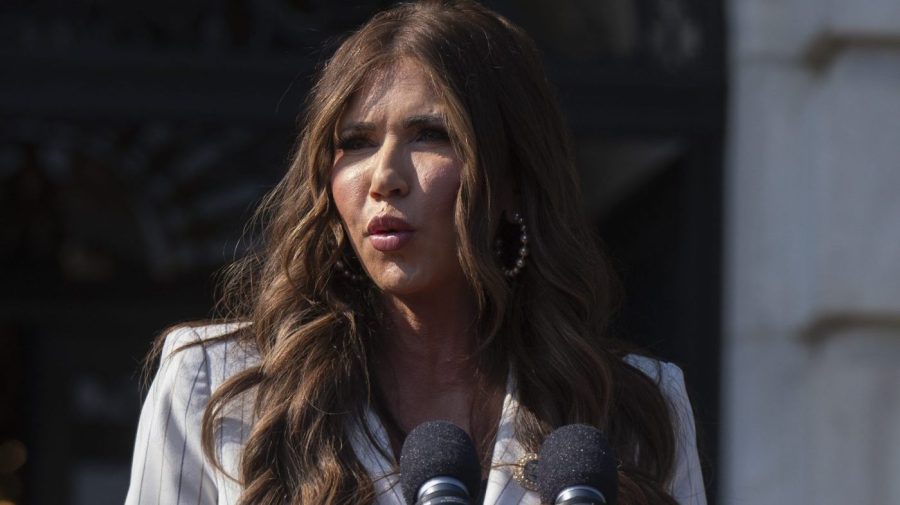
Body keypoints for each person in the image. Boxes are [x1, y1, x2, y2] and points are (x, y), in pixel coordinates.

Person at [125, 1, 707, 504]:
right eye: (355, 143)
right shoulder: (214, 386)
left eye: (431, 135)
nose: (384, 178)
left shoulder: (637, 407)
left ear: (512, 179)